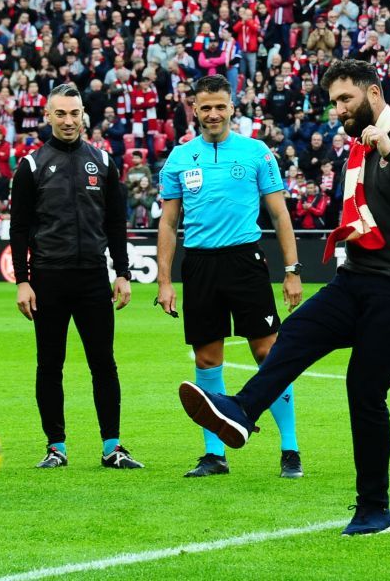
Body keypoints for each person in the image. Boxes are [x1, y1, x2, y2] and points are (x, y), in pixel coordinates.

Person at [177, 60, 390, 534]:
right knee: (299, 330)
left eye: (346, 99)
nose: (338, 110)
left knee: (363, 389)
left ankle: (374, 510)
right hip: (361, 278)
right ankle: (242, 410)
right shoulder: (356, 151)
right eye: (333, 102)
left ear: (374, 92)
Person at [157, 74, 304, 479]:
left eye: (220, 105)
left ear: (232, 107)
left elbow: (279, 215)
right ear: (195, 109)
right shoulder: (179, 158)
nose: (213, 113)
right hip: (200, 264)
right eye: (205, 107)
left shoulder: (256, 152)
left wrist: (292, 272)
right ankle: (214, 453)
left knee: (268, 355)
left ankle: (289, 448)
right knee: (207, 358)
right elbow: (169, 224)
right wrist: (164, 281)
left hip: (246, 262)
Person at [9, 83, 143, 471]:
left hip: (92, 279)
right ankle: (56, 447)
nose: (69, 121)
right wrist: (23, 280)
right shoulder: (31, 166)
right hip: (48, 279)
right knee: (50, 364)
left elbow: (116, 223)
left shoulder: (102, 162)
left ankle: (112, 447)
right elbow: (19, 229)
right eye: (61, 114)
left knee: (104, 363)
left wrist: (122, 272)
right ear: (47, 116)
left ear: (84, 115)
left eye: (75, 113)